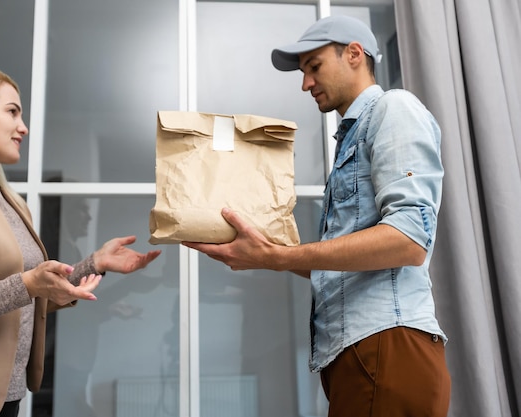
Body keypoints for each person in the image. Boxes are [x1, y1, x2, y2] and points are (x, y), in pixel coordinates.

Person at [184, 15, 451, 417]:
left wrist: (276, 258)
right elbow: (340, 264)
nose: (305, 83)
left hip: (387, 345)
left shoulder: (394, 108)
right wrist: (262, 250)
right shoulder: (352, 137)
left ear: (354, 54)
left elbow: (409, 239)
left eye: (314, 67)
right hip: (357, 352)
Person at [0, 61, 161, 417]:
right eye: (12, 112)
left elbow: (24, 299)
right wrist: (26, 284)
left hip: (6, 401)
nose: (24, 127)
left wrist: (94, 264)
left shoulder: (8, 201)